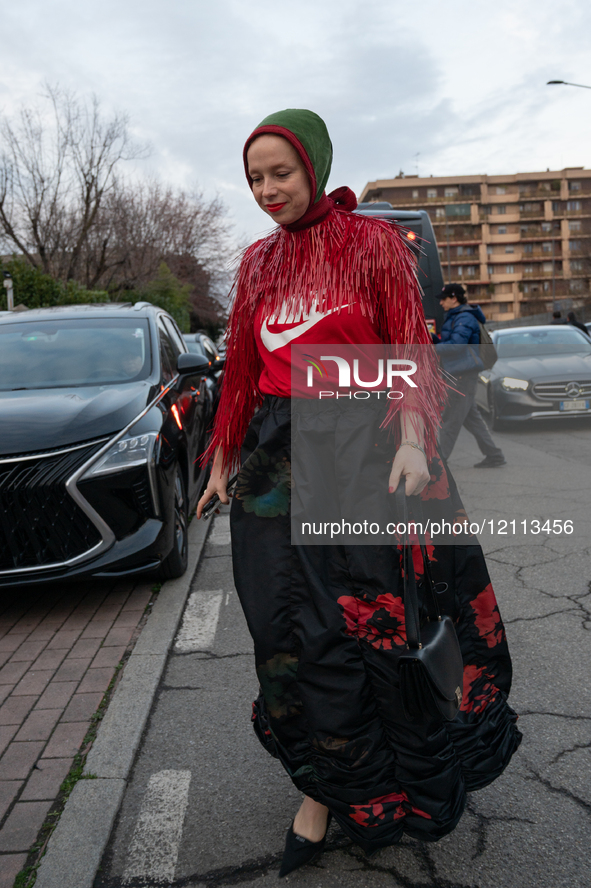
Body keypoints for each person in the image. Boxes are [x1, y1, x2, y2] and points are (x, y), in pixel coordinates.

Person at [197, 110, 521, 875]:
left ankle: (395, 787)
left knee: (373, 626)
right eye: (254, 177)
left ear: (313, 164)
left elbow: (409, 345)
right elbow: (241, 370)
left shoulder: (373, 244)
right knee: (286, 631)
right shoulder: (255, 264)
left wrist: (413, 441)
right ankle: (323, 789)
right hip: (277, 460)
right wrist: (222, 459)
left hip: (364, 448)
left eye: (280, 172)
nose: (267, 189)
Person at [434, 284, 506, 468]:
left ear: (454, 298)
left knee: (450, 420)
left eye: (443, 298)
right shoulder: (457, 317)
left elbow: (456, 346)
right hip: (461, 373)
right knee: (472, 419)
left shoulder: (464, 317)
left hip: (462, 374)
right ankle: (494, 455)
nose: (441, 302)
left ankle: (438, 464)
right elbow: (452, 342)